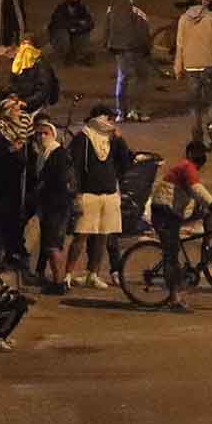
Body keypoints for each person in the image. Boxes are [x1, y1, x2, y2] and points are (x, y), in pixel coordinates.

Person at [149, 140, 212, 312]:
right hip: (164, 212)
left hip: (173, 210)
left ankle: (207, 244)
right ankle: (174, 300)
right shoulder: (186, 166)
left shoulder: (188, 167)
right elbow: (197, 189)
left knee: (209, 215)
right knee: (172, 256)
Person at [66, 106, 132, 289]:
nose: (112, 123)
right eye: (109, 119)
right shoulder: (83, 138)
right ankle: (68, 274)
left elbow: (125, 163)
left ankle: (92, 274)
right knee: (81, 236)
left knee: (103, 236)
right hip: (88, 193)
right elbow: (74, 167)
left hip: (109, 194)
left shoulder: (112, 139)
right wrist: (77, 192)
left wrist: (121, 140)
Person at [175, 0, 212, 149]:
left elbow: (180, 44)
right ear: (204, 0)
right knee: (211, 100)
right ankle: (211, 128)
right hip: (210, 64)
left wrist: (178, 65)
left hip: (191, 66)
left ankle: (197, 138)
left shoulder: (183, 19)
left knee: (195, 104)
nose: (211, 0)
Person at [32, 116, 75, 294]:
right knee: (50, 244)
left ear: (53, 134)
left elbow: (61, 180)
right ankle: (56, 280)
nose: (42, 136)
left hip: (57, 207)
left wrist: (44, 185)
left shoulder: (58, 154)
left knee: (53, 245)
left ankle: (58, 282)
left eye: (45, 133)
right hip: (50, 206)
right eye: (39, 133)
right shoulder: (43, 154)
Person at [105, 0, 151, 122]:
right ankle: (137, 111)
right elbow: (142, 25)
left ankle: (121, 112)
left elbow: (108, 20)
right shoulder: (136, 0)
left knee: (122, 77)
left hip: (117, 45)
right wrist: (146, 45)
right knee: (141, 76)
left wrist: (108, 42)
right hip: (133, 46)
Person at [8, 37, 59, 111]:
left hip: (36, 104)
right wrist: (12, 95)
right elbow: (13, 83)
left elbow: (42, 92)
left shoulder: (42, 66)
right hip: (20, 101)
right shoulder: (19, 64)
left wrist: (26, 102)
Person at [48, 0, 95, 66]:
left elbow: (90, 23)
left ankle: (80, 55)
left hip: (75, 33)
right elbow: (57, 23)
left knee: (84, 34)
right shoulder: (61, 8)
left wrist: (78, 28)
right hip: (61, 35)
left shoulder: (82, 8)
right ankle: (66, 55)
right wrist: (74, 24)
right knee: (62, 34)